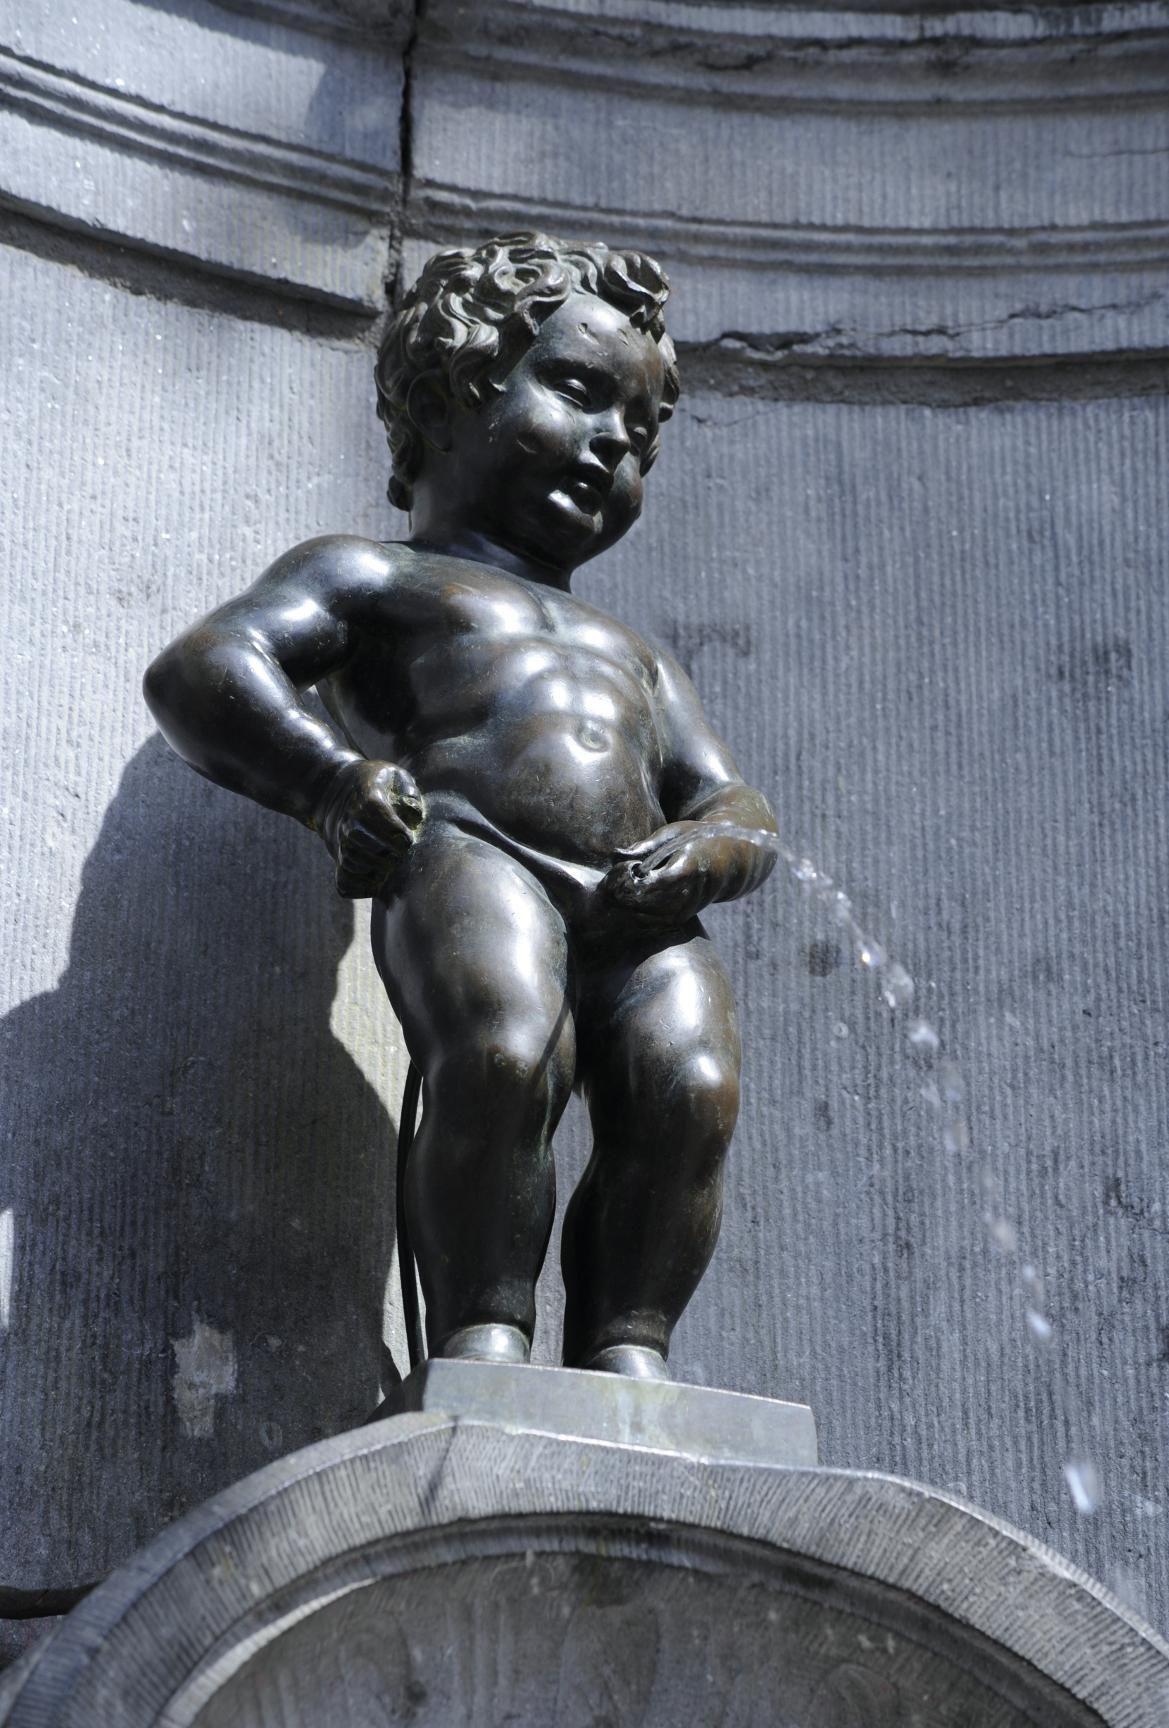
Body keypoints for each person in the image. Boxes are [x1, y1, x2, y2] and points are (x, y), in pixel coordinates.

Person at [144, 232, 778, 1381]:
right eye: (578, 392)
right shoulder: (375, 577)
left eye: (637, 435)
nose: (609, 445)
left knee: (692, 1088)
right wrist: (330, 782)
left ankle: (629, 1344)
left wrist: (714, 848)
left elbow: (731, 797)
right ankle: (484, 1331)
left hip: (642, 897)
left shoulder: (633, 654)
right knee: (500, 1047)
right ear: (449, 387)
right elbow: (207, 667)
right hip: (469, 851)